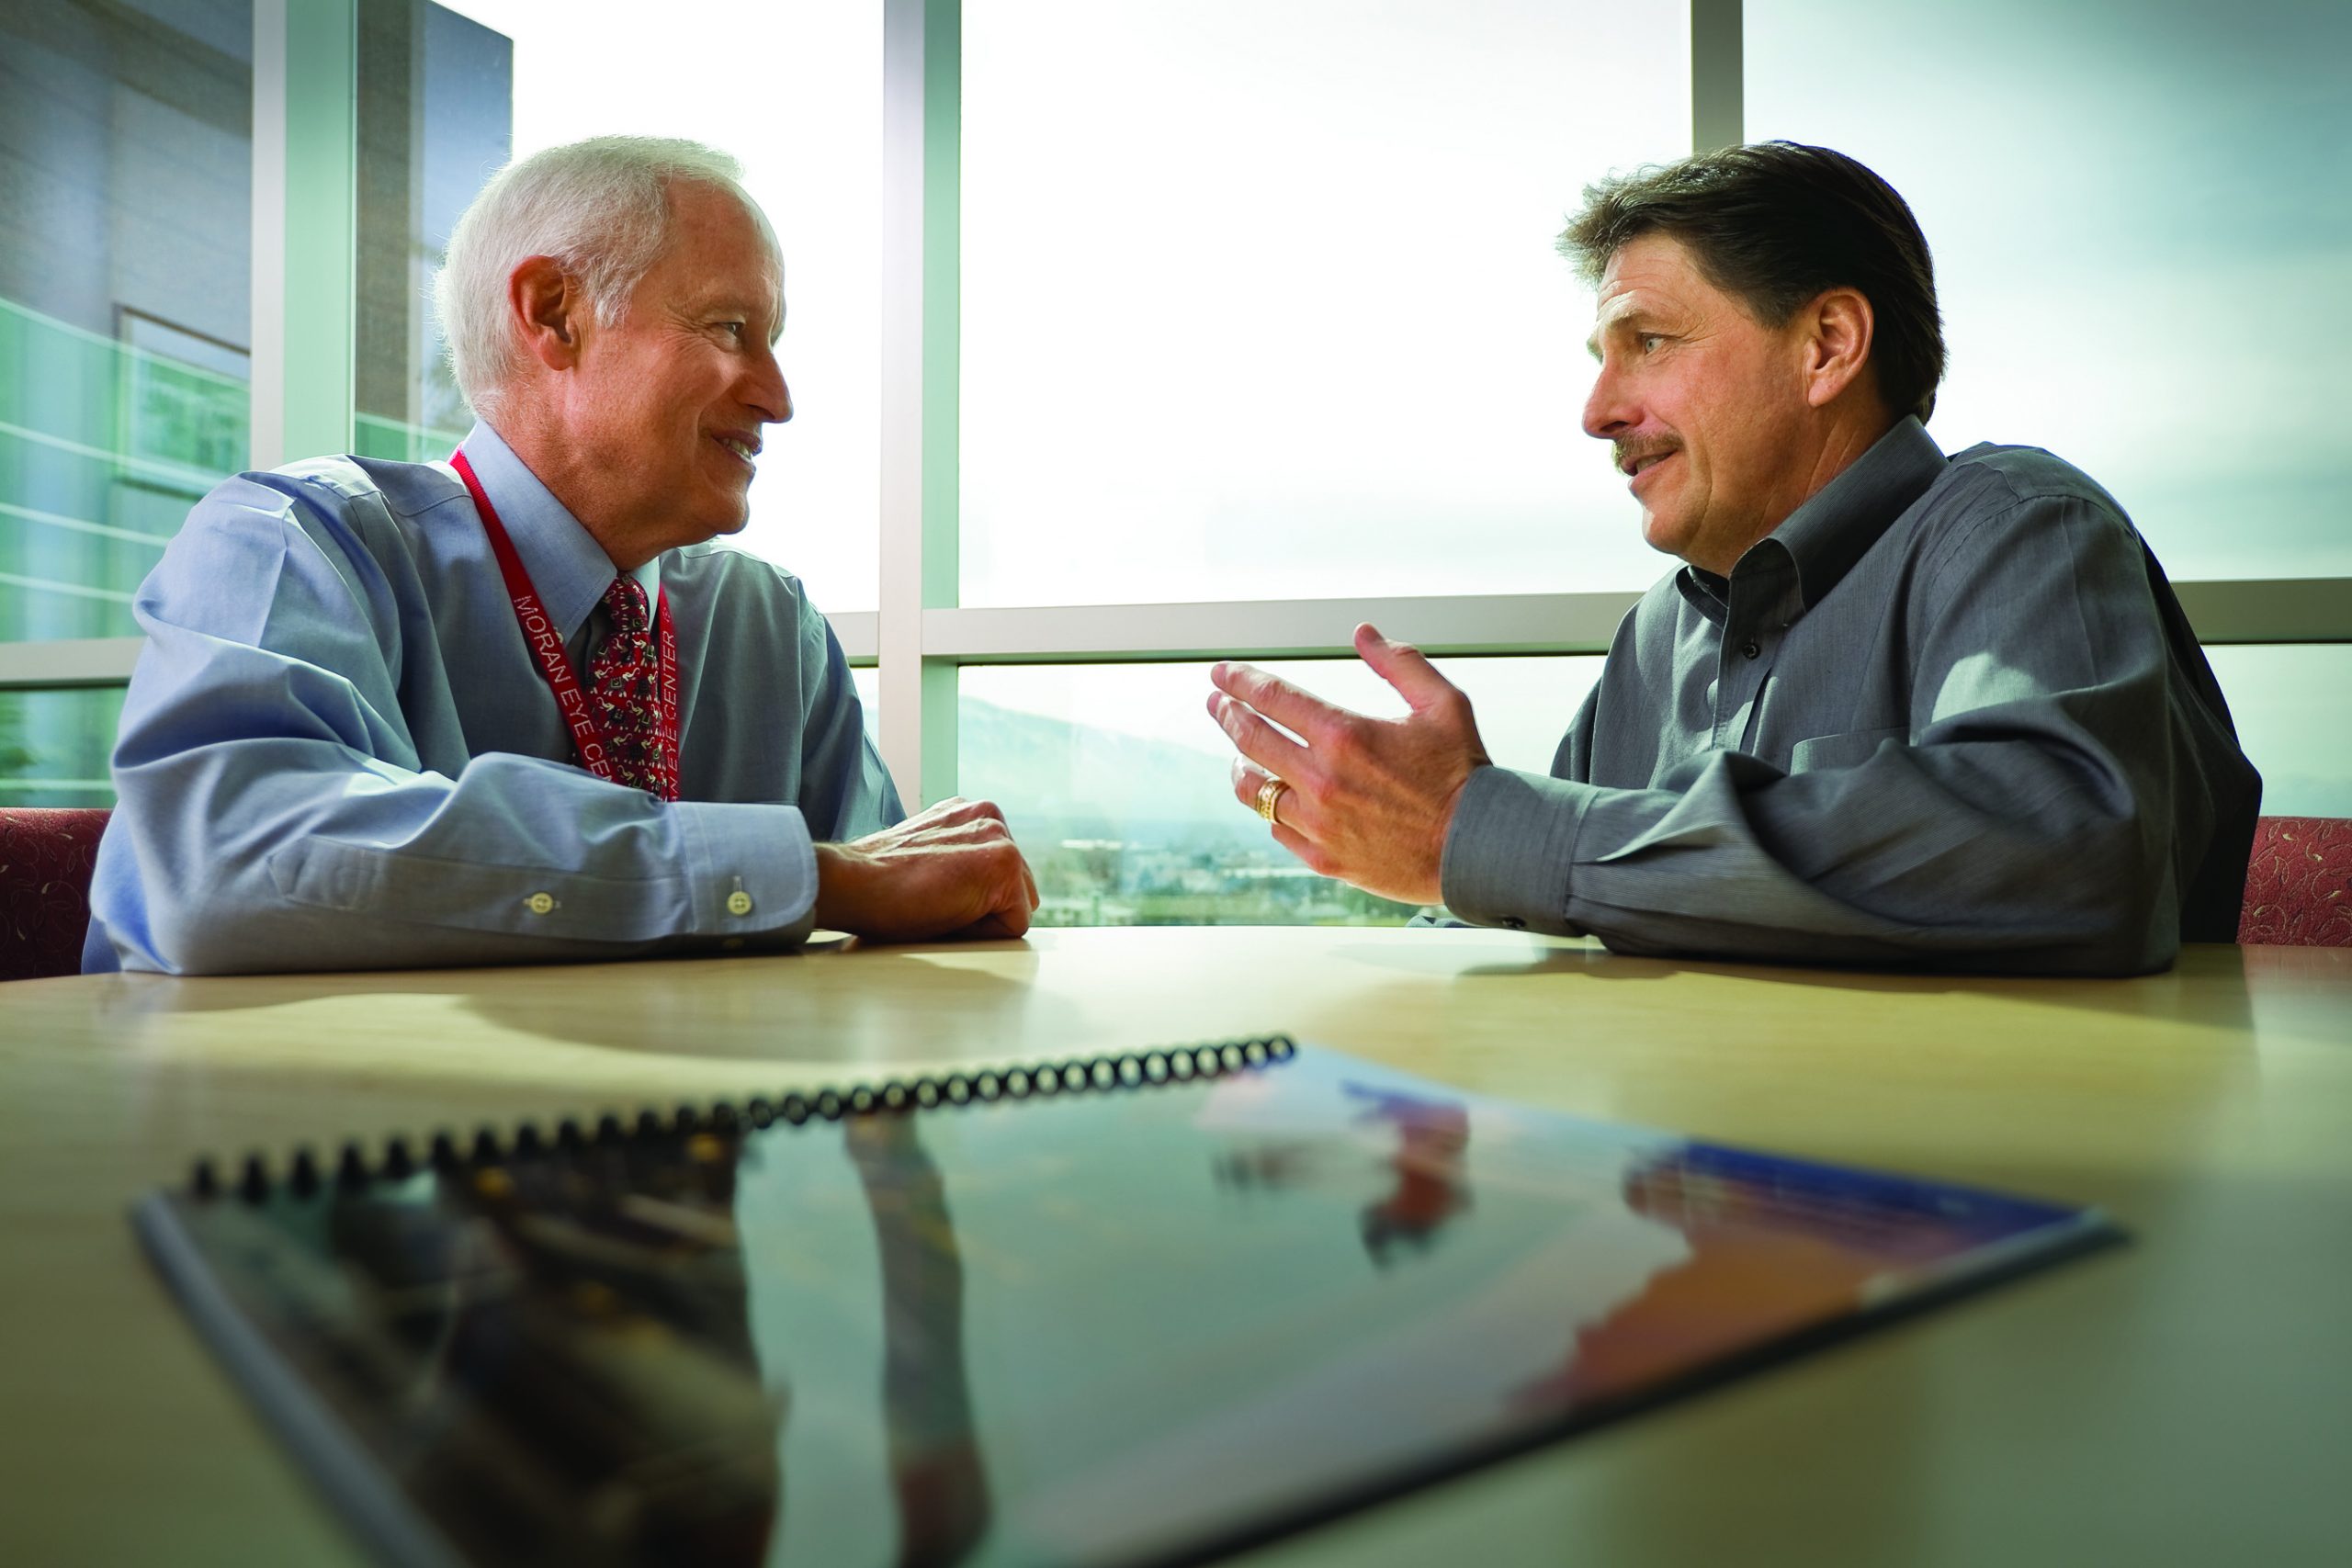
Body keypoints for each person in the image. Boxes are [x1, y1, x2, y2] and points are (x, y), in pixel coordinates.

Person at [1206, 141, 2259, 975]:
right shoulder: (1663, 628)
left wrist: (1469, 830)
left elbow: (2065, 849)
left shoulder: (2019, 528)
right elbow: (1557, 894)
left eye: (1649, 343)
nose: (1596, 412)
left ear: (1827, 348)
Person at [85, 137, 1035, 975]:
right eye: (730, 330)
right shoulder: (296, 544)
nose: (778, 398)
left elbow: (891, 908)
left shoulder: (772, 629)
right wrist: (794, 875)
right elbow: (226, 861)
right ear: (553, 313)